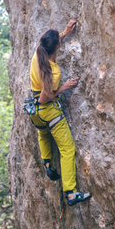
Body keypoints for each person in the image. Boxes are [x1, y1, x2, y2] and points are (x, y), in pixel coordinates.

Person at [29, 20, 92, 206]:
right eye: (59, 40)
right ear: (57, 47)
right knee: (67, 149)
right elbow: (45, 97)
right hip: (48, 110)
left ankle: (48, 163)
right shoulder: (54, 72)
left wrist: (64, 33)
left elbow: (49, 46)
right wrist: (64, 87)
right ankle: (71, 193)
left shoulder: (37, 55)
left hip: (34, 113)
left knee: (43, 132)